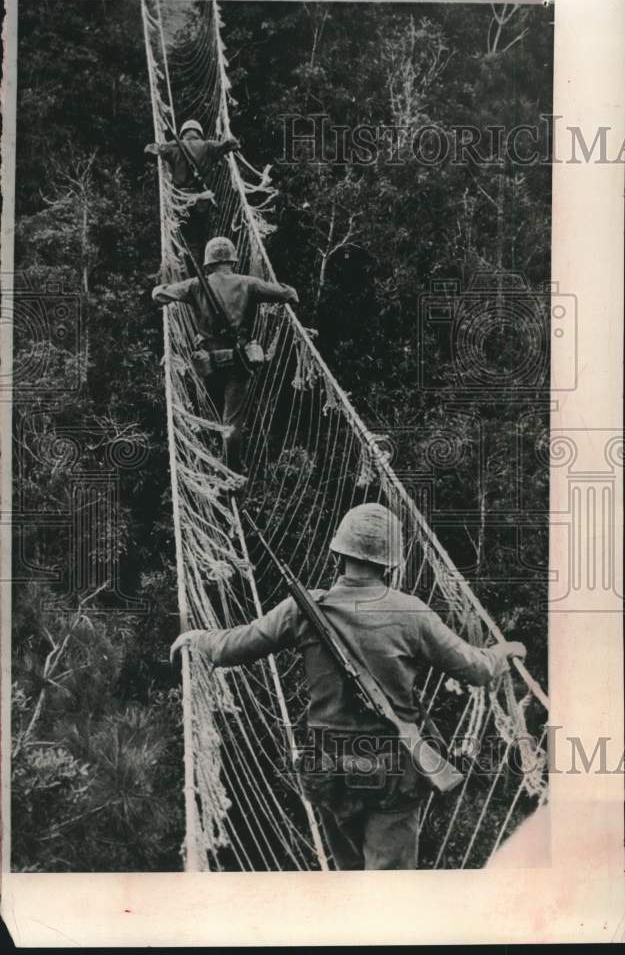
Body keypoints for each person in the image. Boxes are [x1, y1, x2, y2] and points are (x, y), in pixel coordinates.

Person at [171, 502, 527, 870]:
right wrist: (505, 651)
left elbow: (235, 645)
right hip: (392, 773)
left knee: (350, 884)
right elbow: (477, 669)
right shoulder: (412, 613)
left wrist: (199, 640)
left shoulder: (303, 609)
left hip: (328, 770)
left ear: (338, 552)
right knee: (390, 897)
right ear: (392, 562)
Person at [153, 236, 298, 476]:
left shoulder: (195, 285)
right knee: (232, 420)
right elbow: (289, 295)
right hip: (238, 362)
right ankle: (232, 468)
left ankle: (213, 455)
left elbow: (158, 296)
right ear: (233, 260)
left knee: (213, 410)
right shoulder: (249, 283)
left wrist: (167, 283)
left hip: (208, 363)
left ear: (208, 263)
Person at [145, 119, 240, 267]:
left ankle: (191, 273)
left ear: (183, 133)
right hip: (203, 201)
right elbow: (231, 144)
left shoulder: (174, 145)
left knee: (186, 241)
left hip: (181, 202)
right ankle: (204, 271)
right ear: (199, 133)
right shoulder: (208, 146)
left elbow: (150, 149)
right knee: (202, 239)